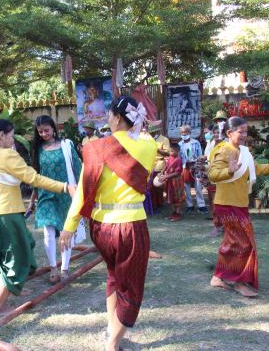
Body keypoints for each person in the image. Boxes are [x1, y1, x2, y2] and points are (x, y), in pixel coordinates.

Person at [60, 96, 157, 351]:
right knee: (131, 286)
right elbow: (142, 142)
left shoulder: (95, 147)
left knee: (113, 277)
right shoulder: (149, 145)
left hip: (101, 228)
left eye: (109, 115)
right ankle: (113, 344)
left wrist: (70, 226)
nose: (107, 119)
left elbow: (83, 189)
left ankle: (111, 331)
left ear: (115, 117)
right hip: (131, 226)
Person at [0, 119, 75, 316]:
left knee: (16, 253)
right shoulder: (7, 155)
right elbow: (34, 178)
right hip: (5, 216)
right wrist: (65, 187)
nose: (13, 140)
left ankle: (14, 287)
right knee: (14, 259)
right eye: (11, 135)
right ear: (2, 136)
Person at [208, 117, 269, 298]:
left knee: (232, 241)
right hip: (226, 203)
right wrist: (229, 171)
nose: (244, 135)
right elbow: (213, 175)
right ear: (229, 133)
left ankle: (218, 277)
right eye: (240, 132)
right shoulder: (223, 150)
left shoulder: (245, 152)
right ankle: (238, 281)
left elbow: (258, 169)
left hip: (240, 203)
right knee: (243, 242)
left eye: (246, 132)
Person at [28, 115, 82, 283]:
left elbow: (78, 168)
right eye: (40, 131)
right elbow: (35, 175)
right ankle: (53, 268)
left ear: (54, 129)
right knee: (48, 231)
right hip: (46, 194)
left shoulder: (66, 146)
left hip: (67, 194)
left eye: (46, 130)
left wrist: (81, 193)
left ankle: (65, 268)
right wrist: (33, 198)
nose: (44, 134)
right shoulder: (38, 149)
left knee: (67, 232)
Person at [202, 125, 227, 236]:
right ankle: (217, 226)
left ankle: (223, 226)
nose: (216, 134)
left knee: (222, 203)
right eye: (215, 132)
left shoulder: (226, 145)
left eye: (219, 132)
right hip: (211, 176)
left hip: (223, 178)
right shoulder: (210, 143)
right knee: (213, 202)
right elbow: (208, 159)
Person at [178, 125, 208, 214]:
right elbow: (179, 158)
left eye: (186, 132)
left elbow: (200, 155)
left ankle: (201, 205)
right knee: (186, 187)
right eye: (182, 132)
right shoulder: (179, 144)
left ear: (189, 133)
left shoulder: (196, 143)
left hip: (195, 166)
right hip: (185, 167)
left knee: (198, 186)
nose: (184, 134)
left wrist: (199, 165)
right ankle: (189, 205)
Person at [159, 144, 185, 222]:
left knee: (177, 197)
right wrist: (161, 173)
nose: (170, 153)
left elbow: (177, 173)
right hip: (170, 181)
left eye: (172, 151)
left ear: (178, 151)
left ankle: (178, 213)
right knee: (171, 196)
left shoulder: (178, 160)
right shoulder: (170, 158)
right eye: (170, 151)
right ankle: (173, 213)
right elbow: (166, 166)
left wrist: (166, 177)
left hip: (176, 181)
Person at [149, 123, 170, 211]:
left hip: (160, 164)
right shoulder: (148, 139)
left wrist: (156, 148)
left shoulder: (164, 139)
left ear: (158, 131)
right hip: (149, 164)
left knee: (158, 186)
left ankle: (159, 204)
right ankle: (153, 205)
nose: (152, 134)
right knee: (150, 187)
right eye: (151, 133)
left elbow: (167, 153)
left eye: (153, 132)